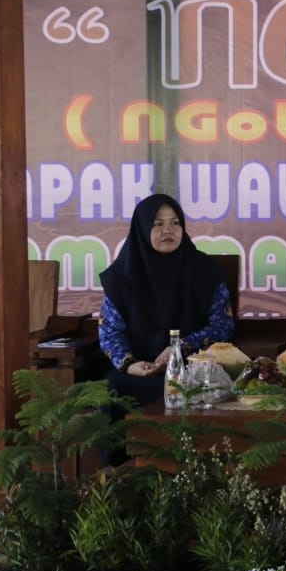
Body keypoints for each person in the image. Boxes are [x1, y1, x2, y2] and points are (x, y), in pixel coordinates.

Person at [98, 193, 235, 462]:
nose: (167, 230)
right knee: (112, 386)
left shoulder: (205, 270)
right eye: (157, 224)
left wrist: (181, 347)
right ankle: (120, 473)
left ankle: (195, 469)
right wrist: (129, 364)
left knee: (199, 385)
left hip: (193, 366)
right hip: (141, 367)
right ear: (141, 229)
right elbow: (110, 331)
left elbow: (223, 324)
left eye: (175, 223)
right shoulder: (121, 277)